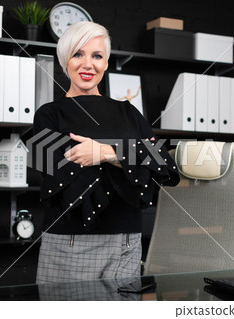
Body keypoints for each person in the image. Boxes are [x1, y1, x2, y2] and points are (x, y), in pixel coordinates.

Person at [33, 21, 180, 283]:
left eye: (96, 56)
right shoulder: (48, 115)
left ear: (106, 62)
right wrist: (132, 160)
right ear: (65, 60)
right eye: (78, 54)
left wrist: (105, 153)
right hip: (68, 245)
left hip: (126, 245)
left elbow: (164, 165)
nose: (87, 64)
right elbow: (54, 175)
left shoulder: (128, 112)